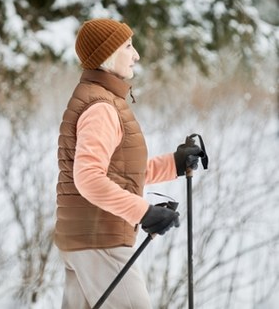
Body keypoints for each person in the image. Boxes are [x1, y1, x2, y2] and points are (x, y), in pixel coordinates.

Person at [55, 18, 202, 309]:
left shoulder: (101, 98)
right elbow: (90, 179)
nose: (136, 54)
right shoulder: (101, 107)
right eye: (128, 46)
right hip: (100, 241)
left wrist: (174, 163)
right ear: (107, 55)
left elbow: (118, 173)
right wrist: (143, 212)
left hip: (85, 240)